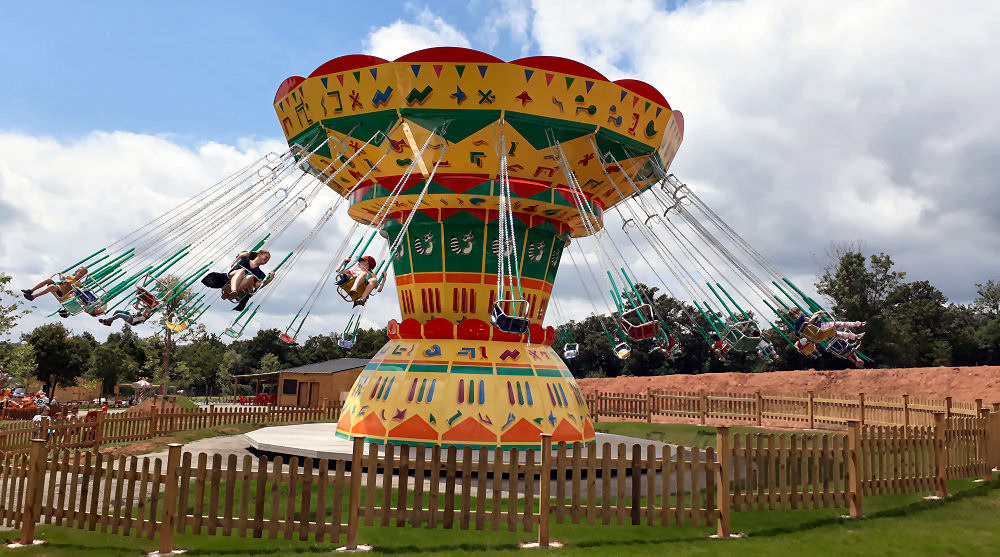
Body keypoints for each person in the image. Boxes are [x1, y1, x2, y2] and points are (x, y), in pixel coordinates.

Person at [22, 267, 89, 316]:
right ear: (76, 272)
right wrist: (62, 277)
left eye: (83, 275)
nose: (81, 275)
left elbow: (72, 284)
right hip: (58, 287)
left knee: (52, 287)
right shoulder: (70, 276)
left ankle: (33, 297)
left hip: (63, 294)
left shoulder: (78, 283)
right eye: (80, 273)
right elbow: (62, 280)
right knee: (49, 280)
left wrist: (66, 280)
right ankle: (31, 291)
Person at [788, 307, 865, 342]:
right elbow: (811, 320)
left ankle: (856, 337)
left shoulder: (795, 326)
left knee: (837, 333)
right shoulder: (802, 316)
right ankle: (858, 324)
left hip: (817, 337)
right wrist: (817, 313)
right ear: (798, 311)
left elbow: (802, 335)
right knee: (838, 324)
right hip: (821, 329)